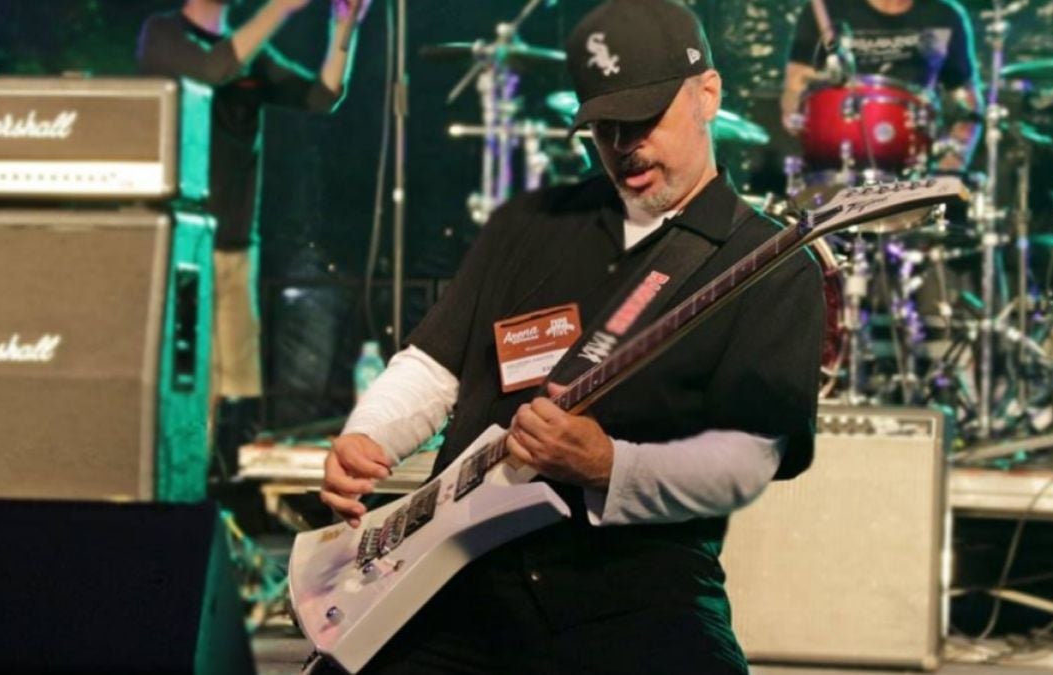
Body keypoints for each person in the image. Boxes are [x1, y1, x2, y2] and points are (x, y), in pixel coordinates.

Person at [316, 0, 825, 672]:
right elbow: (437, 363)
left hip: (632, 587)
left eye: (642, 119)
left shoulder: (769, 264)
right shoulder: (532, 223)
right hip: (457, 575)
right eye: (604, 127)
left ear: (708, 95)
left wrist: (611, 466)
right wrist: (369, 435)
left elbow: (748, 457)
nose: (623, 145)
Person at [136, 0, 368, 475]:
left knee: (228, 383)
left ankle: (207, 480)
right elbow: (213, 69)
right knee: (187, 374)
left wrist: (342, 29)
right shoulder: (162, 35)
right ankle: (175, 481)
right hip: (181, 242)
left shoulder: (249, 52)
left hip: (237, 240)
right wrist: (280, 8)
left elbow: (322, 96)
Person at [781, 0, 983, 172]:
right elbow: (796, 85)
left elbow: (966, 98)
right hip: (834, 160)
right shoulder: (828, 8)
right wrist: (793, 112)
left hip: (914, 163)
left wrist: (956, 156)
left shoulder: (942, 15)